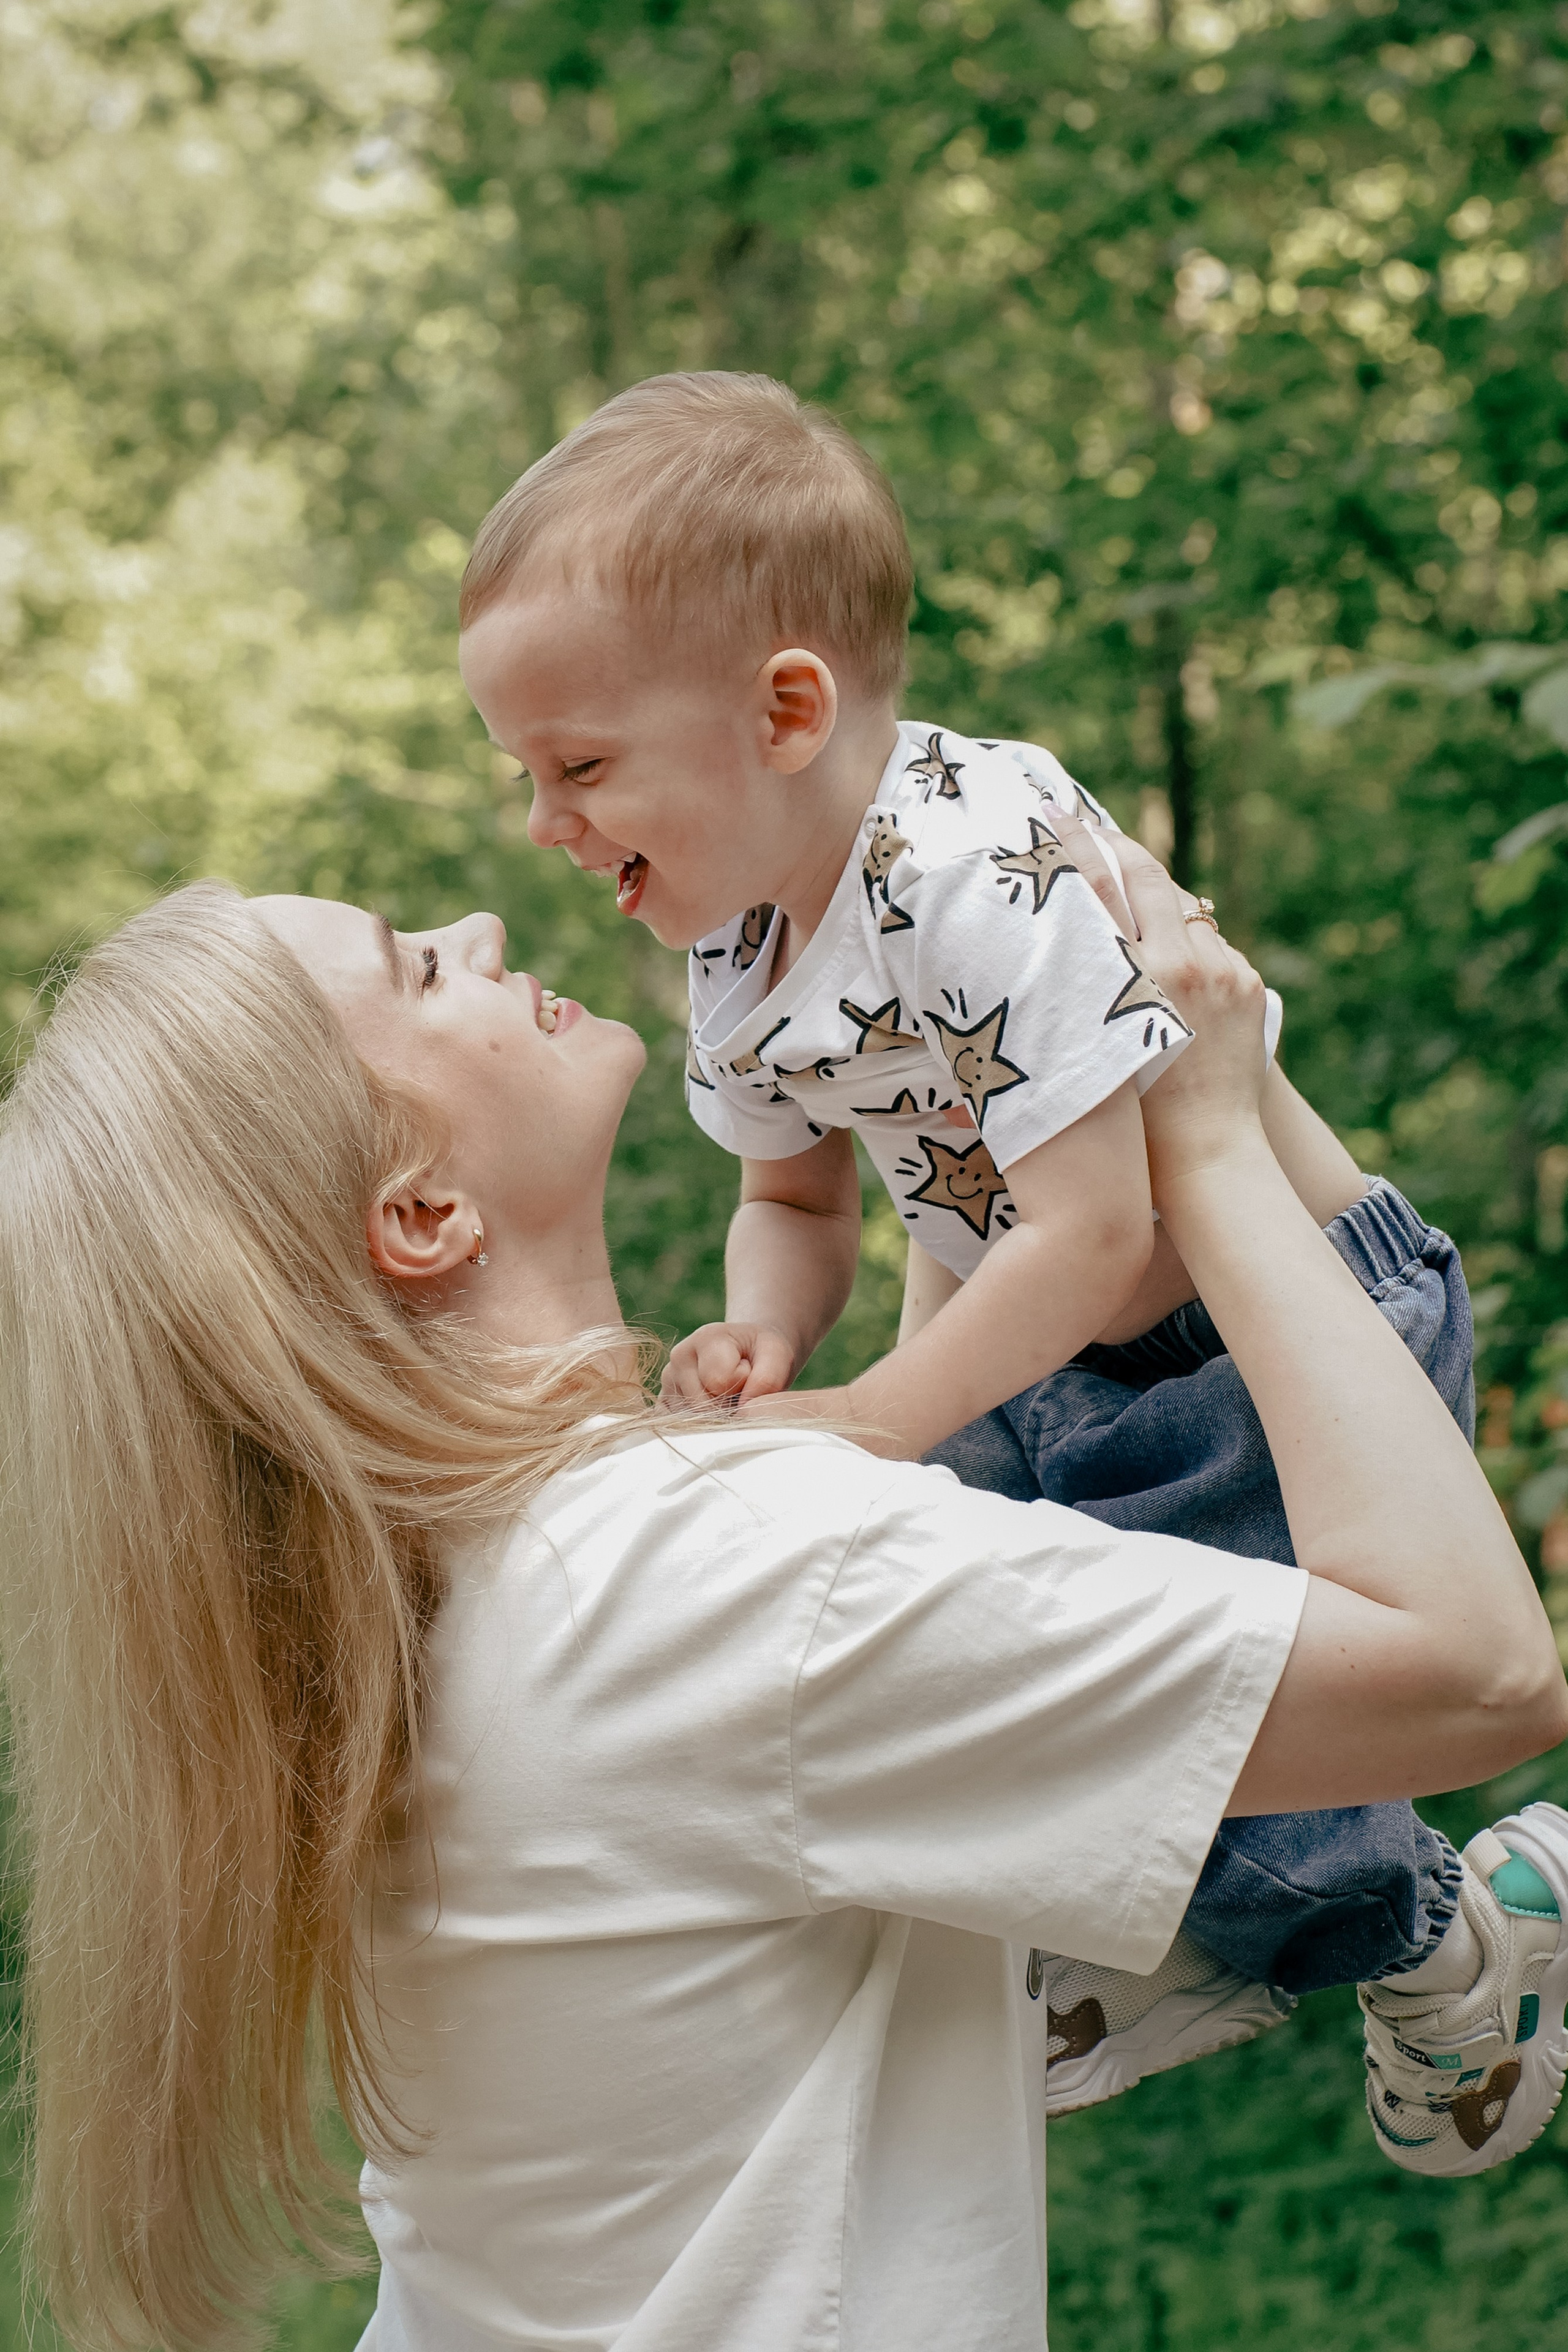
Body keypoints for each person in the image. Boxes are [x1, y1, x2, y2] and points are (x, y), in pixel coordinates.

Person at [1, 851, 1563, 2352]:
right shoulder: (701, 1575)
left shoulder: (470, 1579)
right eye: (417, 968)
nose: (477, 924)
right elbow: (1475, 1672)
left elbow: (899, 1510)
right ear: (419, 1213)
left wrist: (942, 1077)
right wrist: (1209, 1123)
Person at [455, 368, 1562, 2165]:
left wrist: (880, 1415)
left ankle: (1467, 1941)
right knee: (938, 1643)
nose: (546, 826)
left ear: (786, 711)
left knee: (1231, 1757)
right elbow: (803, 1204)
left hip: (1255, 1340)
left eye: (580, 767)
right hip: (1049, 1354)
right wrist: (763, 1334)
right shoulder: (736, 938)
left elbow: (1105, 1225)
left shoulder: (976, 862)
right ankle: (1129, 1927)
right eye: (527, 774)